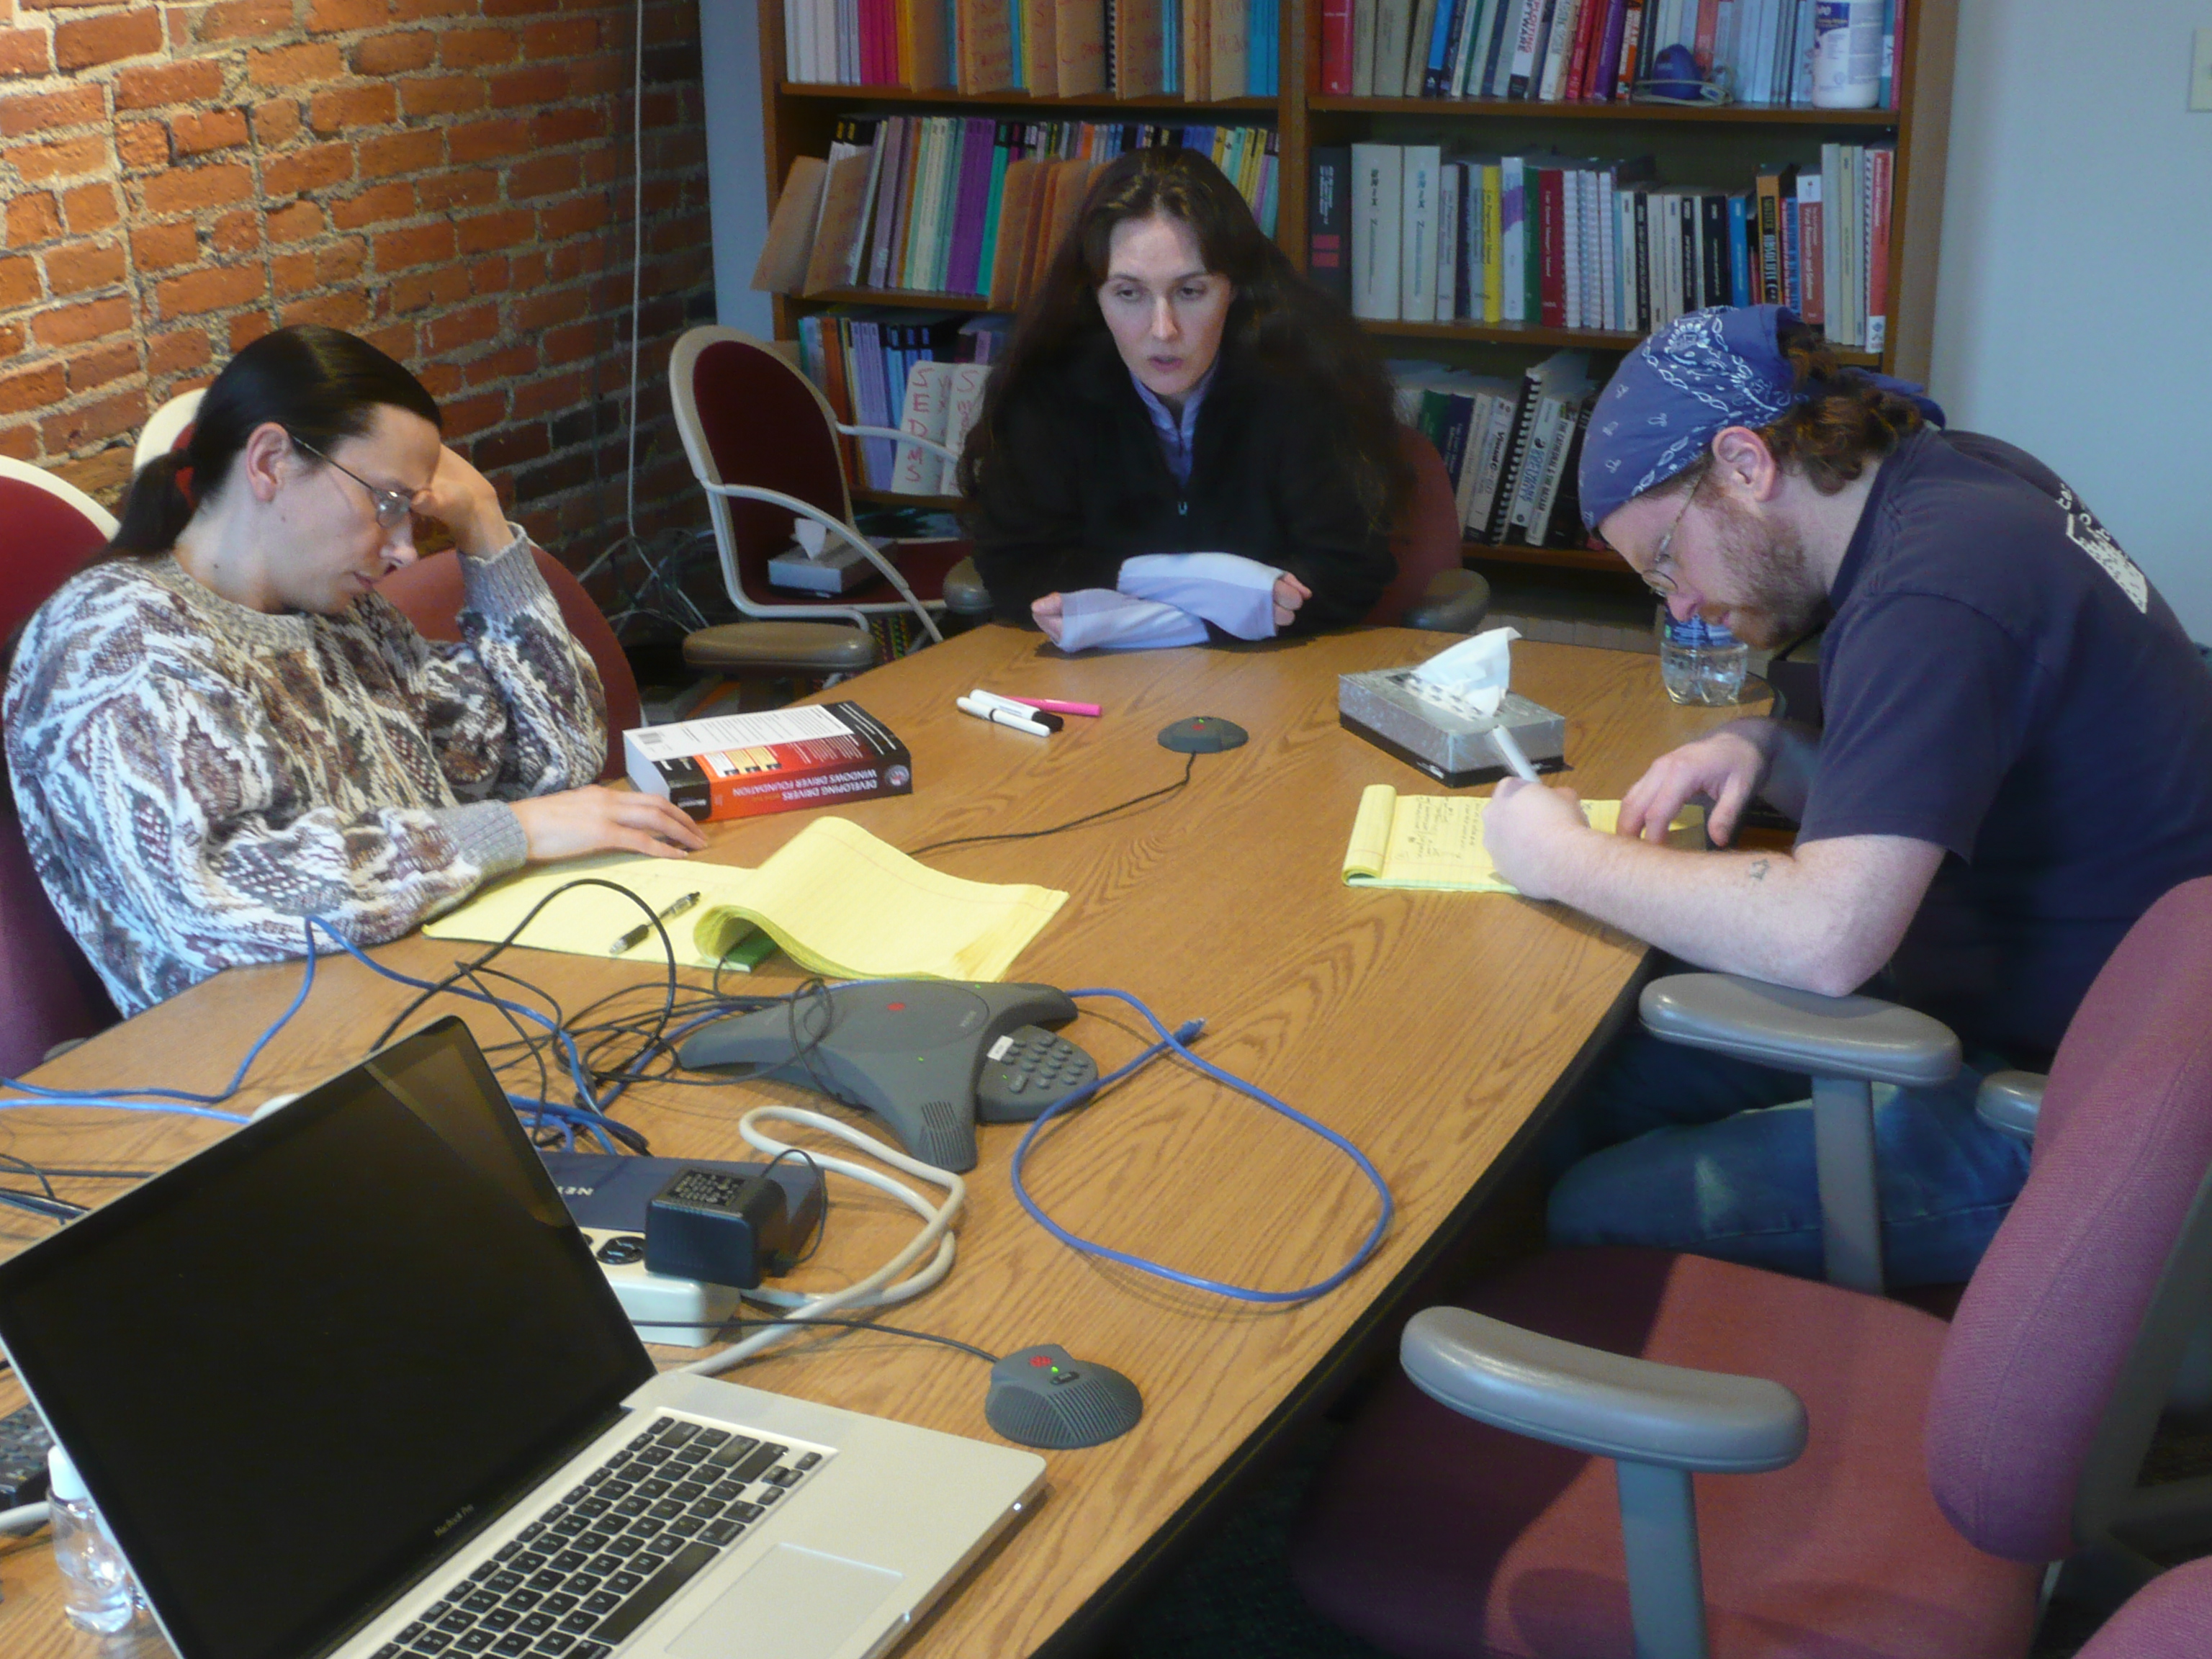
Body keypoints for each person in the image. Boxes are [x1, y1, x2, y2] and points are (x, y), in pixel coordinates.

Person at [1481, 303, 2212, 1285]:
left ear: (1745, 464)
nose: (1681, 604)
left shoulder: (1932, 594)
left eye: (1665, 561)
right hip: (2046, 995)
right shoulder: (1959, 481)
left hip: (2088, 1110)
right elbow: (1951, 780)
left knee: (1594, 1205)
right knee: (1585, 1089)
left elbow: (1826, 938)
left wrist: (1561, 859)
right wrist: (1770, 749)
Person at [4, 325, 704, 1018]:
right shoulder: (118, 641)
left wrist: (485, 527)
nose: (405, 550)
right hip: (261, 1050)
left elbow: (557, 762)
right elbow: (218, 900)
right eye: (387, 502)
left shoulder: (339, 615)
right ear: (270, 463)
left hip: (425, 987)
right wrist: (506, 833)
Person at [958, 145, 1411, 652]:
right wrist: (1207, 583)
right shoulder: (1046, 389)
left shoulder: (1307, 380)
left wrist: (1133, 619)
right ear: (1094, 294)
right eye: (1128, 293)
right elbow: (1016, 571)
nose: (1162, 330)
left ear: (1234, 287)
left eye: (1190, 291)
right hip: (1100, 680)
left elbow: (1347, 572)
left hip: (1273, 672)